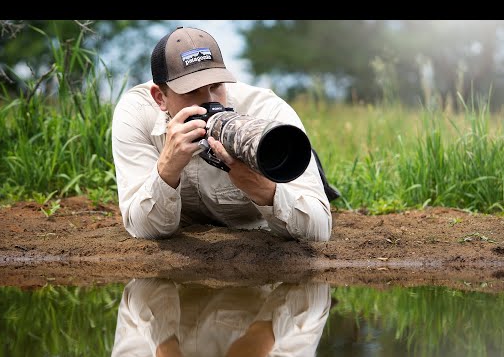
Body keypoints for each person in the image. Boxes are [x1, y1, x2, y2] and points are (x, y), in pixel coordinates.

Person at [111, 26, 337, 242]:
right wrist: (168, 169)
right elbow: (143, 229)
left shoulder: (267, 110)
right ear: (160, 98)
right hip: (188, 228)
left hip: (272, 166)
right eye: (192, 91)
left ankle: (308, 171)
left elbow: (319, 231)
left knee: (290, 164)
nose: (209, 101)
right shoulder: (137, 113)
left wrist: (260, 186)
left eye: (216, 85)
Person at [109, 278, 332, 357]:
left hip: (181, 223)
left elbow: (142, 288)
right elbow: (317, 295)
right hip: (259, 225)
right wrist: (264, 336)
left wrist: (167, 353)